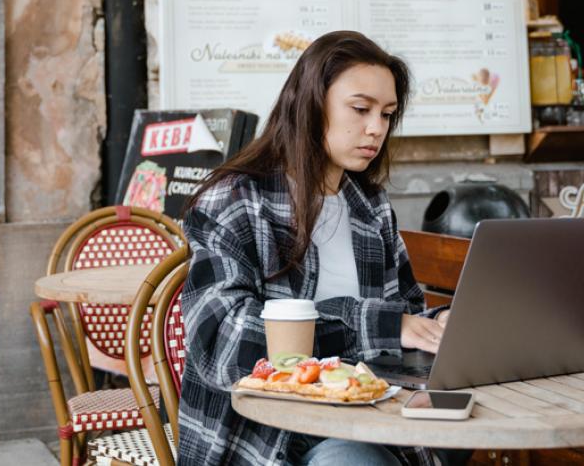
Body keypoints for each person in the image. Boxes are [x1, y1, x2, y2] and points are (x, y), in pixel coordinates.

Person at [177, 31, 450, 466]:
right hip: (266, 435)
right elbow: (222, 343)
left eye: (387, 113)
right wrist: (373, 324)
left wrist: (441, 325)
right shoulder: (236, 199)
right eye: (360, 109)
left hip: (370, 415)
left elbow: (403, 315)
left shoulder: (370, 207)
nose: (376, 127)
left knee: (481, 427)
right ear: (310, 103)